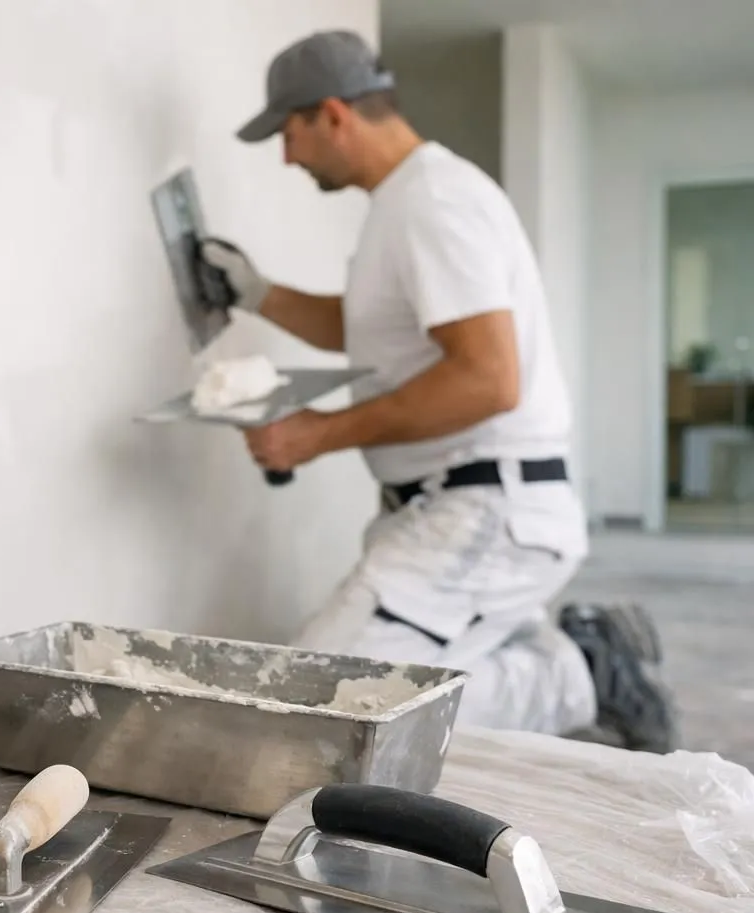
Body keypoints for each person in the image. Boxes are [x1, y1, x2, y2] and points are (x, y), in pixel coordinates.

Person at [201, 29, 678, 752]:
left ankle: (580, 672)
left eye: (289, 134)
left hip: (484, 509)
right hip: (452, 504)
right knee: (361, 706)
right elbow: (372, 329)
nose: (288, 157)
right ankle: (568, 656)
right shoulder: (407, 200)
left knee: (325, 714)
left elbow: (488, 379)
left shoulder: (433, 202)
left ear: (333, 114)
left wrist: (316, 434)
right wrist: (256, 292)